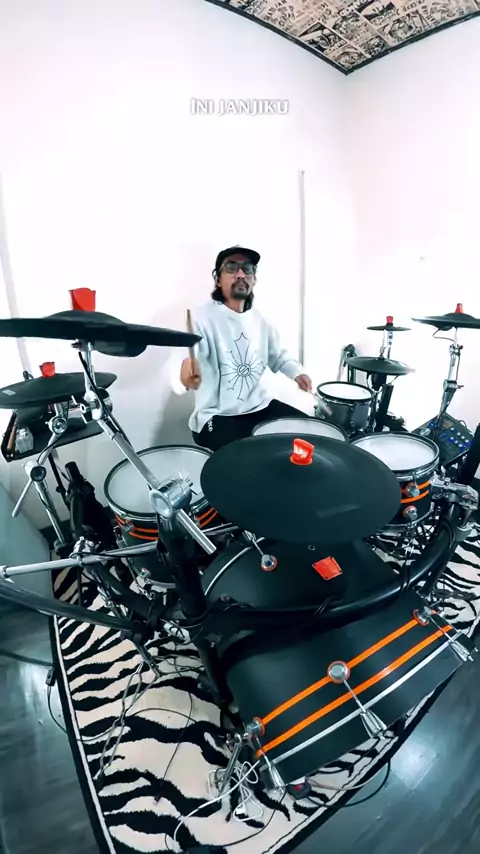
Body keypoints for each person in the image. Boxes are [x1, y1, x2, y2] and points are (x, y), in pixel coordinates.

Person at [180, 245, 313, 451]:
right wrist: (186, 370)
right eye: (231, 267)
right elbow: (185, 355)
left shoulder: (260, 320)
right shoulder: (201, 317)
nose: (241, 274)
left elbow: (278, 356)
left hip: (260, 406)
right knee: (252, 458)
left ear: (254, 279)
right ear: (218, 279)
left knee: (314, 434)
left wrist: (297, 373)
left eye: (248, 269)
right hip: (216, 416)